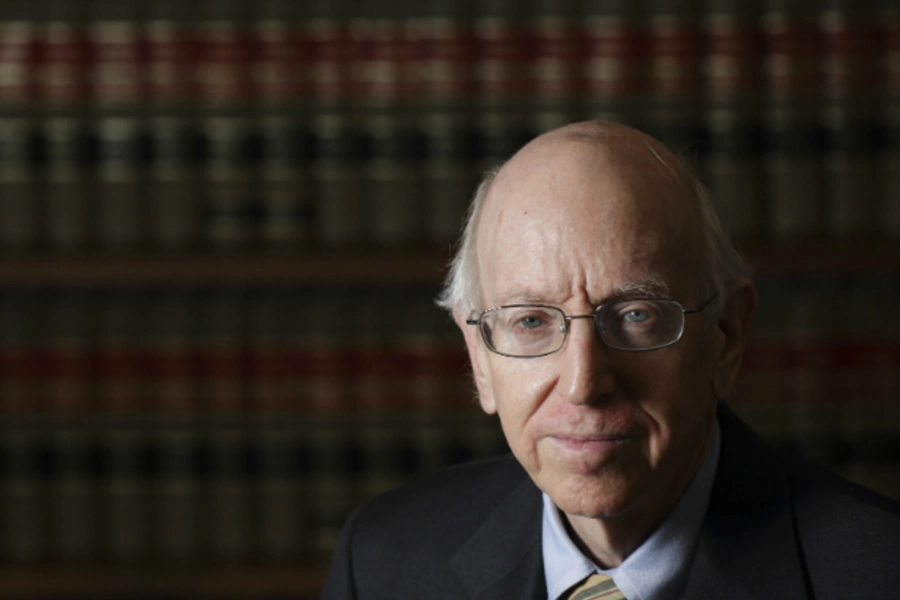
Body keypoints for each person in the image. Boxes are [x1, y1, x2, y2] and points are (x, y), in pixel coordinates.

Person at [320, 121, 900, 599]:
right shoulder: (382, 563)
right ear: (478, 358)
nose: (583, 383)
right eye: (530, 321)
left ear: (726, 336)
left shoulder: (877, 573)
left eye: (636, 315)